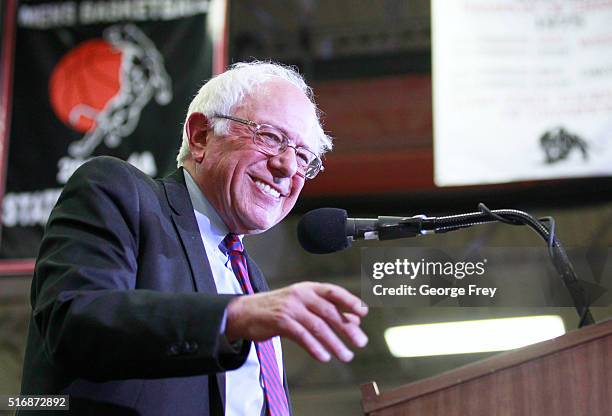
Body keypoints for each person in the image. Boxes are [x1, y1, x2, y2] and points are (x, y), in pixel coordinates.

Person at [19, 61, 368, 416]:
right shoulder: (118, 192)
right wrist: (231, 316)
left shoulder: (252, 281)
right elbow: (75, 321)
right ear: (201, 136)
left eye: (304, 157)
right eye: (270, 137)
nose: (289, 168)